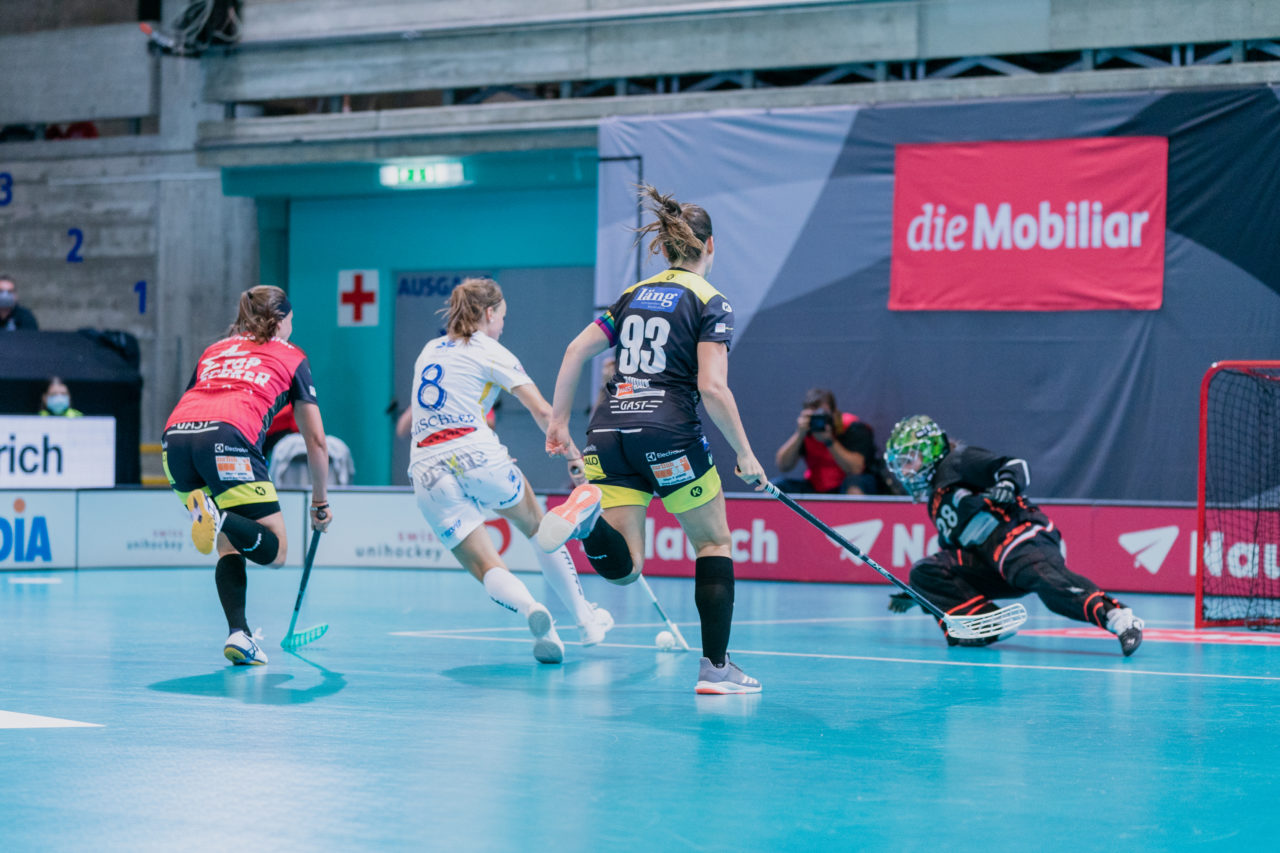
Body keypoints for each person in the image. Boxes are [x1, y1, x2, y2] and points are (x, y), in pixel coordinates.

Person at [543, 184, 768, 694]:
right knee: (713, 541)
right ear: (710, 247)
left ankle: (586, 522)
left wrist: (557, 424)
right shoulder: (712, 301)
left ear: (664, 249)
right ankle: (715, 670)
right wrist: (746, 455)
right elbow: (711, 387)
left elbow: (575, 351)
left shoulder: (631, 297)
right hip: (666, 432)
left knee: (624, 569)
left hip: (608, 432)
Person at [406, 277, 613, 665]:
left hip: (425, 468)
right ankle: (586, 621)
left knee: (485, 565)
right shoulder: (490, 349)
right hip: (476, 452)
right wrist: (571, 456)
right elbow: (542, 411)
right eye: (501, 317)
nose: (502, 325)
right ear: (488, 313)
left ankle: (533, 611)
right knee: (538, 528)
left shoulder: (429, 350)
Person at [163, 285, 333, 666]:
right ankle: (218, 514)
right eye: (291, 320)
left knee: (229, 541)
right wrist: (319, 501)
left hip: (174, 442)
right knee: (276, 551)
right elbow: (317, 441)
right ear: (281, 320)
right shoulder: (291, 356)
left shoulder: (215, 350)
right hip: (228, 438)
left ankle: (239, 635)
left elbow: (195, 400)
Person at [883, 414, 1144, 656]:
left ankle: (1117, 616)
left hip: (1023, 536)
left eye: (909, 460)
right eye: (900, 464)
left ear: (931, 450)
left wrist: (1007, 484)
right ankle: (985, 624)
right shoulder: (935, 503)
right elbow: (951, 553)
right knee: (923, 571)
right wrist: (919, 593)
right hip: (993, 563)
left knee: (1038, 577)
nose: (905, 471)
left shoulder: (957, 462)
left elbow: (1014, 465)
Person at [774, 388, 881, 495]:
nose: (818, 419)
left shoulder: (851, 428)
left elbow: (856, 469)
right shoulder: (806, 430)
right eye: (813, 415)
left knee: (854, 486)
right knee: (774, 488)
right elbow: (783, 466)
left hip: (849, 484)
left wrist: (830, 441)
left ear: (834, 413)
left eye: (822, 414)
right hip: (816, 485)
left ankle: (854, 512)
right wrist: (799, 435)